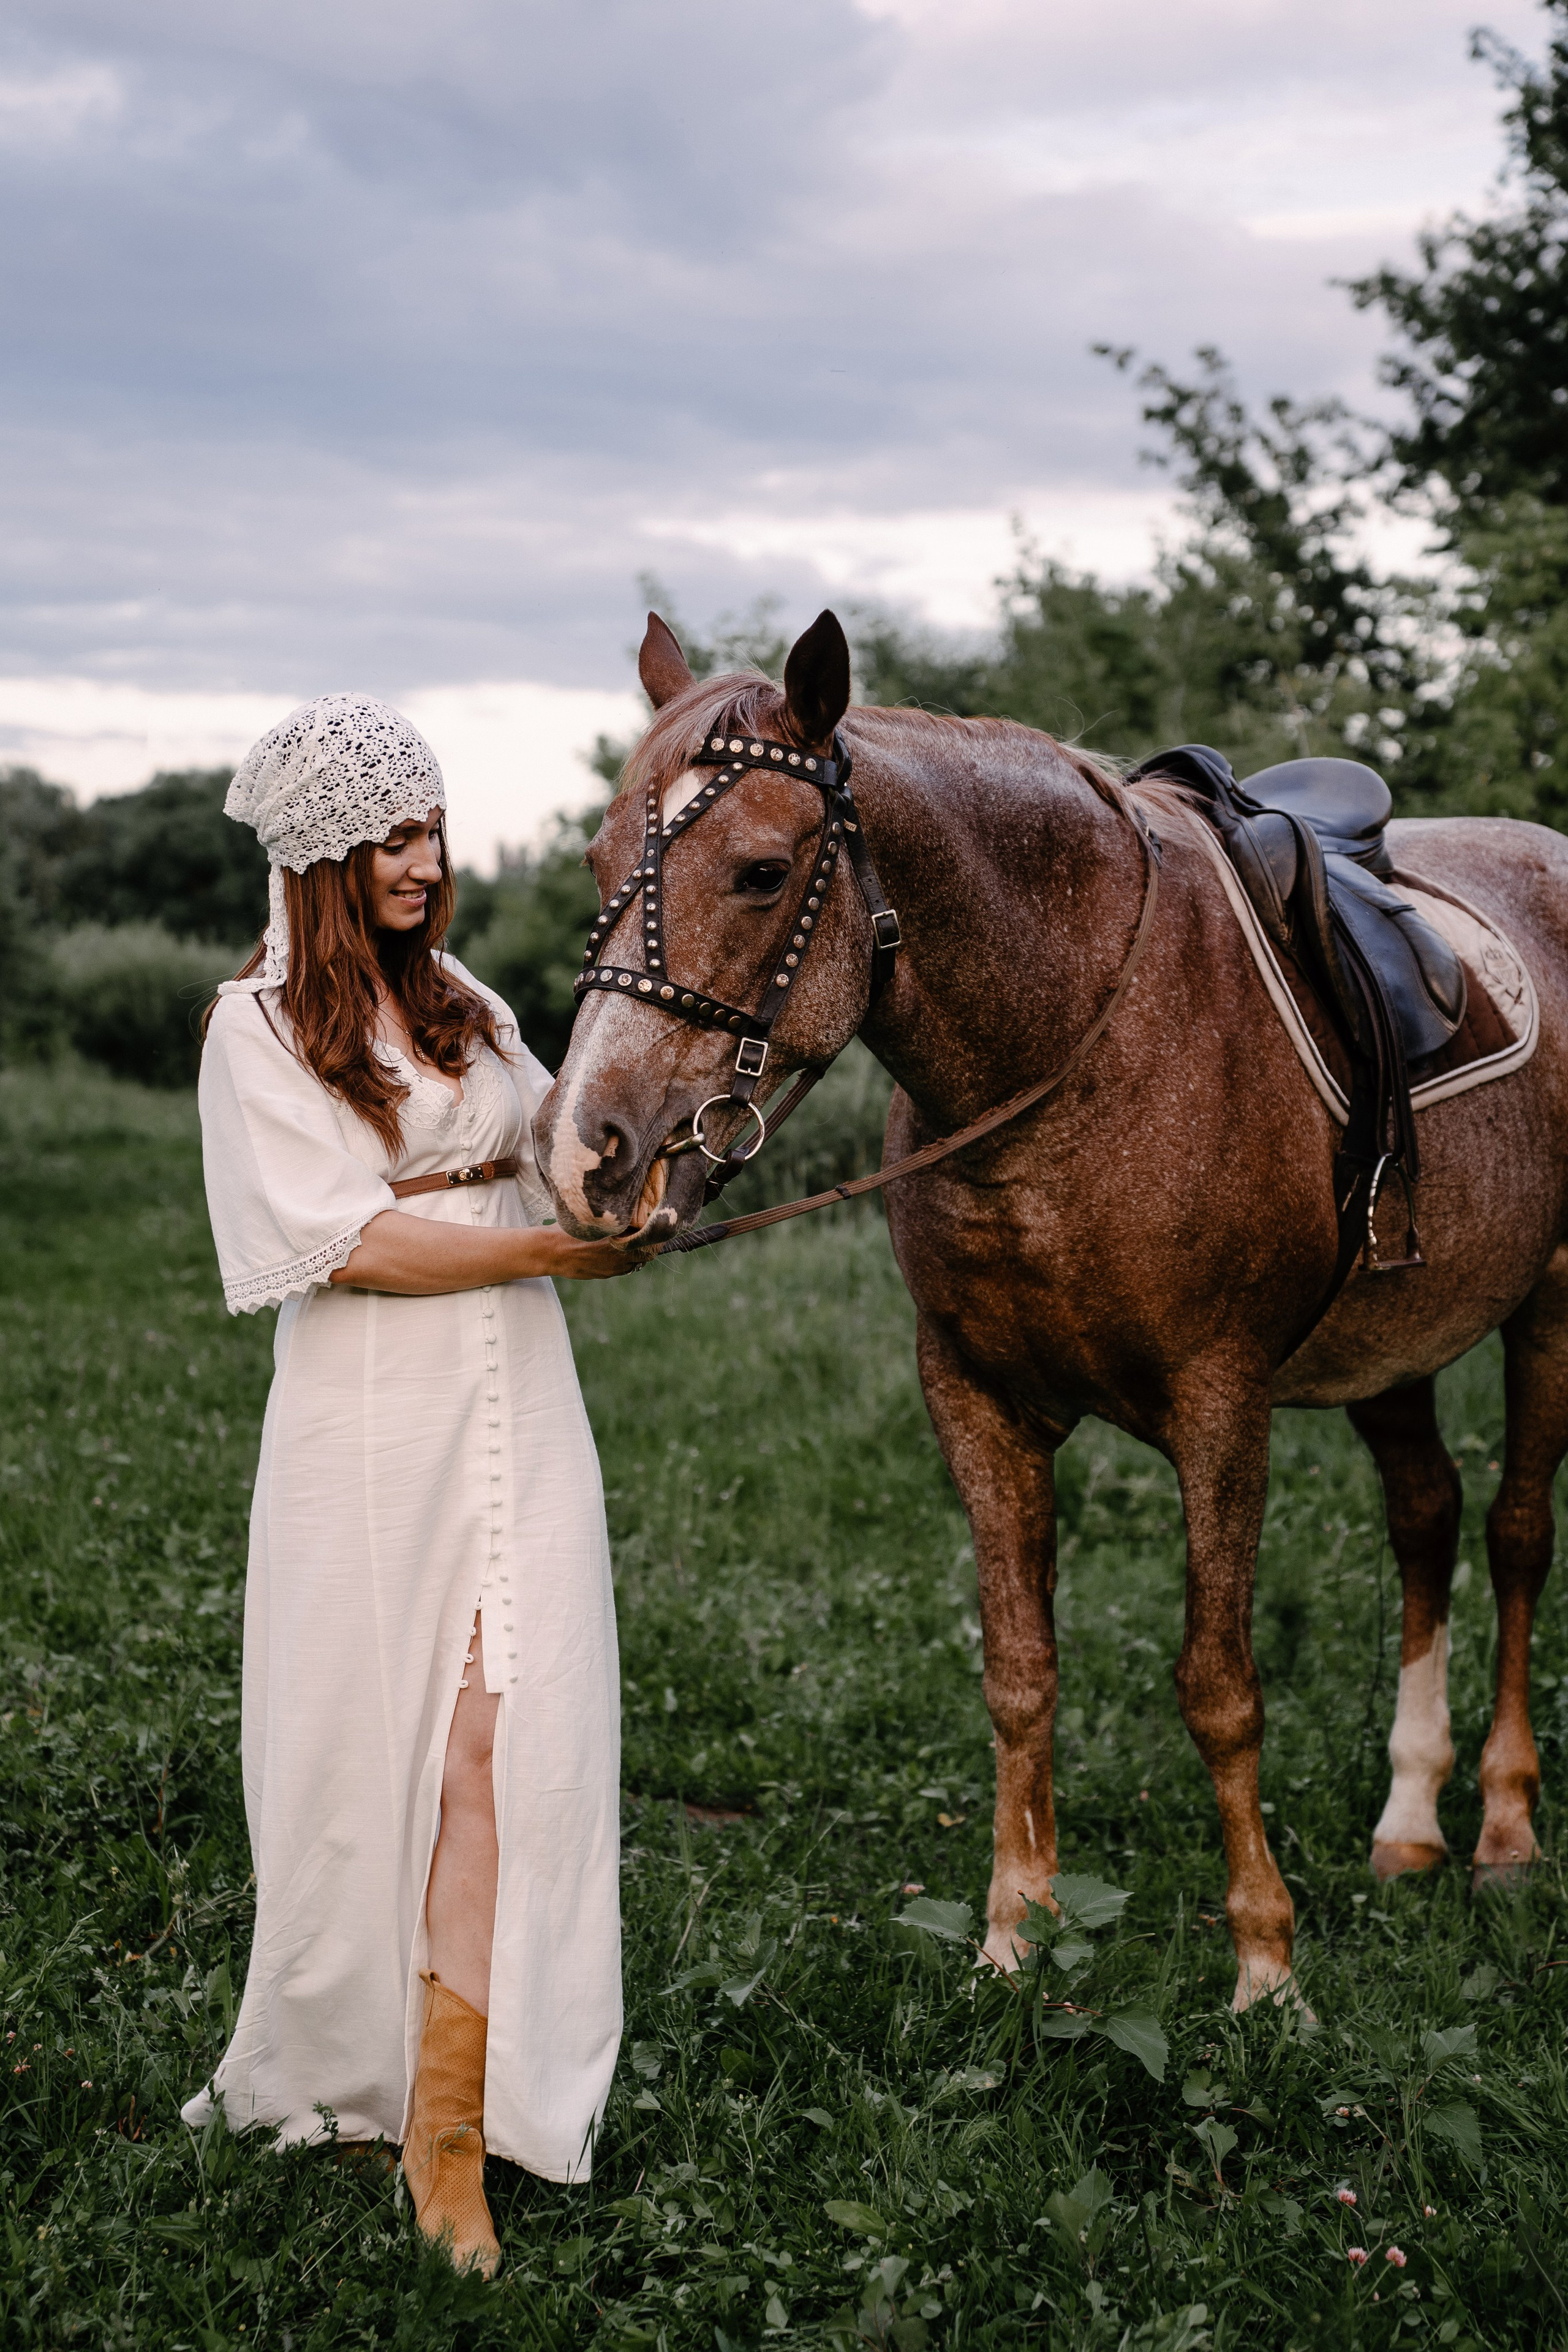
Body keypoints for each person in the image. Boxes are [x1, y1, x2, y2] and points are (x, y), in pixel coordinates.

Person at [181, 693, 657, 2277]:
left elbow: (549, 1148)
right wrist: (552, 1257)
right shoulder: (255, 1027)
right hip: (374, 1413)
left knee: (506, 1745)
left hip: (521, 1399)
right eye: (390, 836)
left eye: (433, 829)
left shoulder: (462, 1000)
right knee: (389, 1741)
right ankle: (381, 2091)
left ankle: (454, 2122)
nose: (423, 861)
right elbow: (351, 1244)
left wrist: (626, 1177)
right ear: (320, 855)